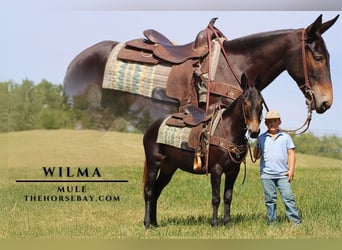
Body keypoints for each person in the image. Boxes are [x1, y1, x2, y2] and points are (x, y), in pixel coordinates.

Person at [253, 110, 301, 225]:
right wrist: (256, 151)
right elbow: (257, 156)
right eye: (269, 121)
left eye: (275, 121)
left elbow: (291, 153)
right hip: (267, 175)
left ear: (279, 122)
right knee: (270, 200)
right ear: (265, 124)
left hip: (283, 174)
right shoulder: (261, 138)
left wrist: (291, 170)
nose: (272, 124)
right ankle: (272, 222)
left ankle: (295, 222)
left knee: (288, 198)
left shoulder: (285, 137)